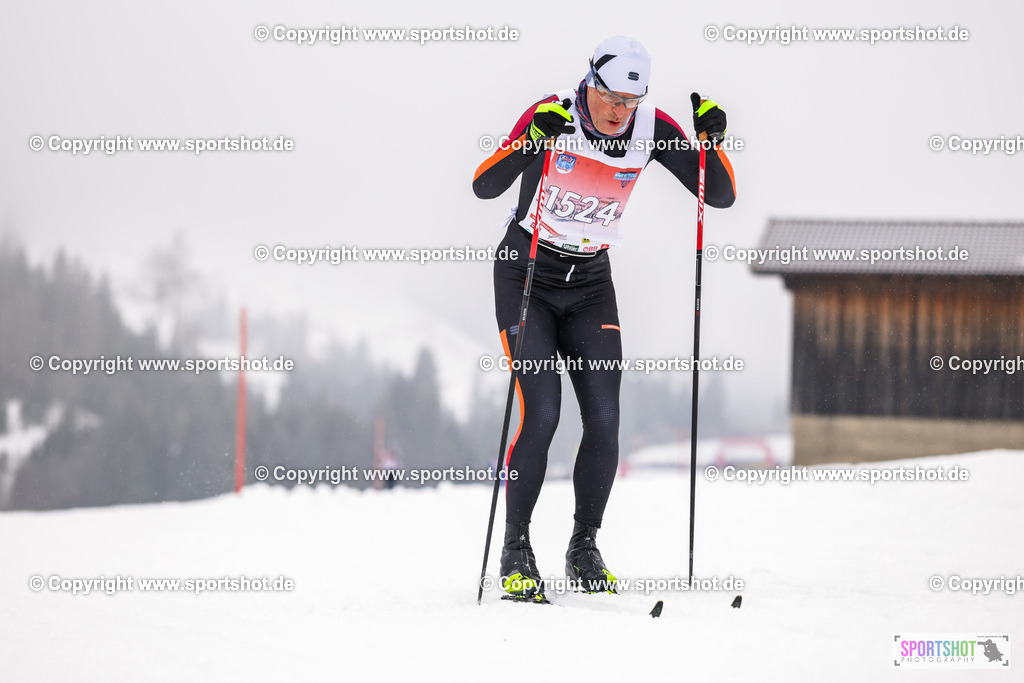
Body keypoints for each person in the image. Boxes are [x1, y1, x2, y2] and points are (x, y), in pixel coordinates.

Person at [472, 36, 736, 601]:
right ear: (589, 83)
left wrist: (712, 143)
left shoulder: (651, 128)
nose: (620, 112)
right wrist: (532, 141)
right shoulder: (554, 113)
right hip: (527, 275)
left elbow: (717, 196)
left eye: (631, 102)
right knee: (542, 413)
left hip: (590, 284)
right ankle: (516, 547)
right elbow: (484, 183)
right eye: (611, 97)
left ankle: (583, 546)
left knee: (606, 419)